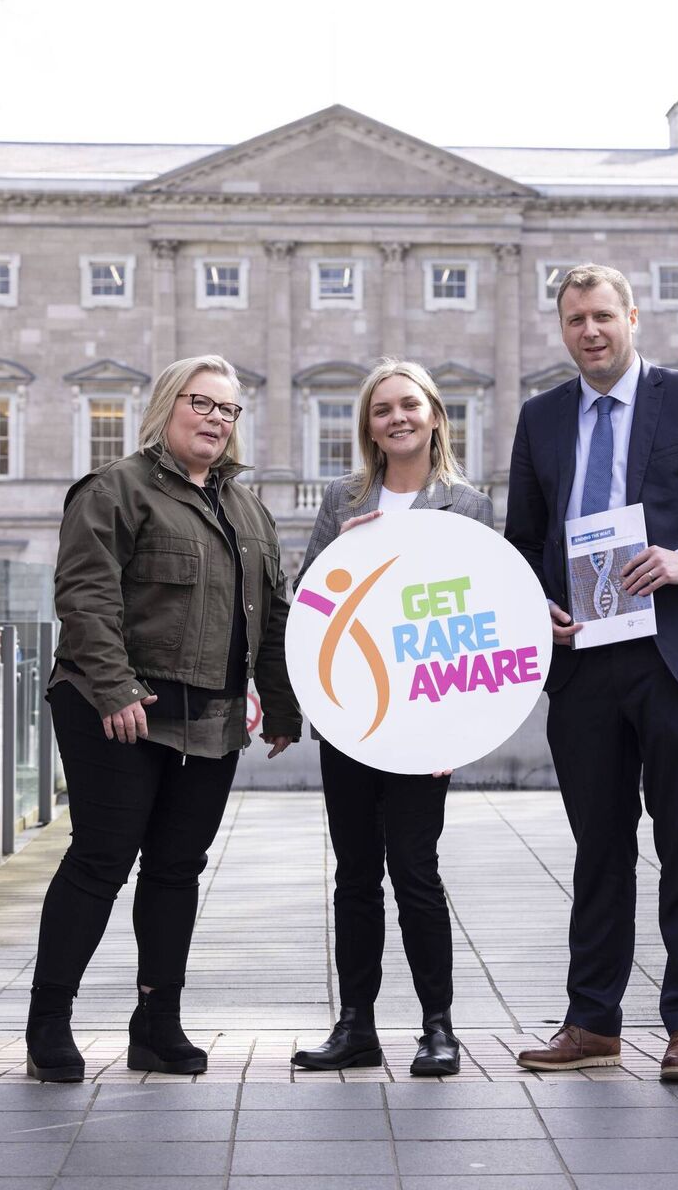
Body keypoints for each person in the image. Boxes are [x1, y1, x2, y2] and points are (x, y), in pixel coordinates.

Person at [505, 265, 678, 1081]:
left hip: (675, 658)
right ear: (563, 329)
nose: (589, 332)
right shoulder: (542, 417)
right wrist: (536, 604)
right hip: (583, 662)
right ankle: (592, 1022)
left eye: (602, 317)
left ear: (631, 317)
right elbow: (524, 541)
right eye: (575, 320)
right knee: (598, 850)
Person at [26, 354, 301, 1083]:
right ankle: (48, 1022)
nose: (216, 419)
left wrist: (279, 703)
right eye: (202, 403)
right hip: (115, 708)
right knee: (101, 859)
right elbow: (86, 596)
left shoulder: (249, 511)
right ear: (167, 406)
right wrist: (114, 689)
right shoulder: (116, 490)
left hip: (209, 718)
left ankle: (156, 1025)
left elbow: (269, 619)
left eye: (229, 410)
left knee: (178, 869)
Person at [291, 358, 493, 1077]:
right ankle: (356, 1024)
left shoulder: (467, 506)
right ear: (368, 427)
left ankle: (438, 1026)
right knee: (353, 873)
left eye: (410, 405)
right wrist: (348, 548)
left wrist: (460, 730)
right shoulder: (342, 499)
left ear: (435, 414)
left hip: (423, 726)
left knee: (414, 867)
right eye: (382, 410)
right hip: (351, 713)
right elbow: (308, 602)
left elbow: (478, 620)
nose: (397, 418)